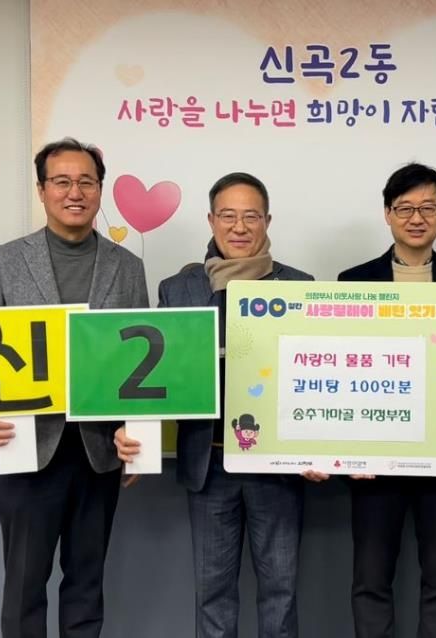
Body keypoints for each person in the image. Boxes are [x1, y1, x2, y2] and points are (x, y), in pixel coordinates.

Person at [115, 172, 313, 638]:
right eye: (228, 216)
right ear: (211, 220)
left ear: (267, 221)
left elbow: (315, 377)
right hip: (210, 463)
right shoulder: (178, 290)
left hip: (278, 466)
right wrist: (134, 434)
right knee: (212, 596)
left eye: (250, 216)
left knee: (281, 594)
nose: (239, 227)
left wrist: (318, 447)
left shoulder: (300, 286)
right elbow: (153, 372)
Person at [0, 137, 149, 638]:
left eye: (86, 182)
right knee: (24, 587)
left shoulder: (127, 266)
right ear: (42, 189)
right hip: (24, 445)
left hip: (98, 451)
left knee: (87, 585)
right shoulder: (3, 260)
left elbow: (141, 360)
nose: (75, 192)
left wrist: (137, 435)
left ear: (100, 190)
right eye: (63, 181)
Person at [338, 162, 436, 638]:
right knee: (370, 580)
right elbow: (338, 371)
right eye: (405, 207)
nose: (416, 218)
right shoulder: (354, 282)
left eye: (428, 207)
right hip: (374, 454)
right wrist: (343, 450)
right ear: (387, 214)